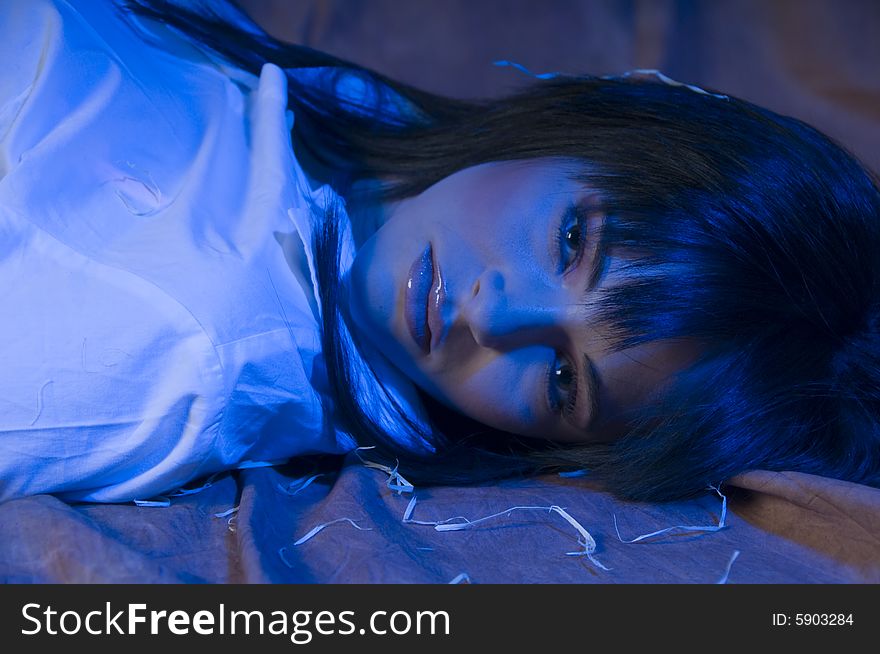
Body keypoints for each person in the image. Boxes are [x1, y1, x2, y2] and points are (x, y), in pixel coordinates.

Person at [1, 0, 878, 504]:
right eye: (573, 241)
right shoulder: (344, 132)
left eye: (564, 381)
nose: (492, 315)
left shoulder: (173, 352)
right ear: (613, 113)